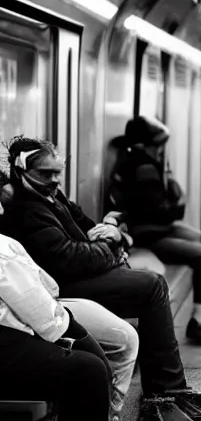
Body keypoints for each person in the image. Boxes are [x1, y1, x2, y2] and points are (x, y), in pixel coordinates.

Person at [1, 136, 201, 421]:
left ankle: (167, 391)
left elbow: (88, 228)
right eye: (46, 174)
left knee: (152, 283)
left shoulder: (52, 198)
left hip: (83, 272)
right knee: (152, 286)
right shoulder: (26, 209)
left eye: (58, 173)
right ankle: (165, 392)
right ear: (22, 172)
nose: (56, 180)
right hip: (63, 284)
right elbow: (68, 258)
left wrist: (113, 233)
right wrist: (111, 247)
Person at [0, 176, 138, 421]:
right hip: (43, 308)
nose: (54, 179)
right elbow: (43, 313)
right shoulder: (11, 238)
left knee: (122, 337)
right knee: (91, 369)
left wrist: (113, 236)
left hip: (47, 304)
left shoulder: (58, 203)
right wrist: (83, 341)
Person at [111, 116, 201, 346]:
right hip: (148, 234)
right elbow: (160, 211)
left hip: (159, 228)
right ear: (146, 146)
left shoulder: (139, 161)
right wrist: (176, 203)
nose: (161, 150)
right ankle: (199, 324)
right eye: (157, 145)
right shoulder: (144, 168)